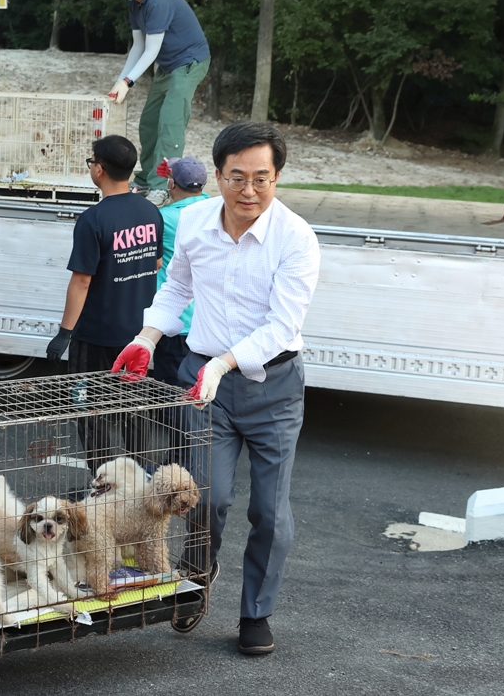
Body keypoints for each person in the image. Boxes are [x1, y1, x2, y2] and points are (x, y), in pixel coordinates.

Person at [112, 121, 320, 657]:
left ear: (277, 177)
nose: (248, 191)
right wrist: (148, 336)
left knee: (270, 513)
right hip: (203, 383)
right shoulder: (197, 221)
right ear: (219, 174)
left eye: (262, 178)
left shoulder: (295, 238)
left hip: (271, 386)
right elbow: (177, 284)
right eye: (237, 177)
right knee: (205, 496)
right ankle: (196, 575)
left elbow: (281, 325)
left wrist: (225, 363)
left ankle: (256, 613)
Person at [46, 135, 162, 471]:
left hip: (96, 335)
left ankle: (102, 482)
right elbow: (154, 263)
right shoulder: (150, 211)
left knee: (90, 410)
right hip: (138, 333)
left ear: (99, 169)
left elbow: (82, 280)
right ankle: (141, 483)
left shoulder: (93, 219)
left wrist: (65, 333)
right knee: (133, 409)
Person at [109, 0, 211, 208]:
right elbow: (138, 46)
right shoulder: (135, 3)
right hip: (167, 66)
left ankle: (162, 187)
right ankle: (145, 179)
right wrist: (120, 82)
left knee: (169, 123)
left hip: (189, 62)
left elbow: (151, 50)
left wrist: (128, 82)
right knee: (149, 122)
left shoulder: (158, 1)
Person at [150, 155, 210, 390]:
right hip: (207, 320)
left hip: (176, 321)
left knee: (171, 393)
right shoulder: (216, 208)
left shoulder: (163, 218)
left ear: (171, 184)